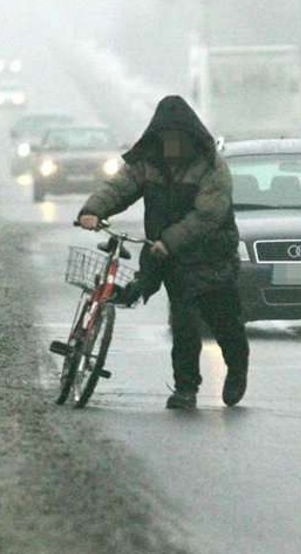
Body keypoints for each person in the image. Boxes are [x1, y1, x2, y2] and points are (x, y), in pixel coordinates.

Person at [77, 96, 248, 410]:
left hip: (211, 256)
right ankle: (186, 388)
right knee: (183, 324)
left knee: (224, 322)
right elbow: (118, 187)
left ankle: (237, 370)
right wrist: (92, 210)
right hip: (170, 257)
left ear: (191, 137)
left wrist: (169, 241)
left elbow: (208, 215)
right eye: (166, 138)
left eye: (177, 138)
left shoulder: (211, 168)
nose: (171, 145)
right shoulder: (147, 162)